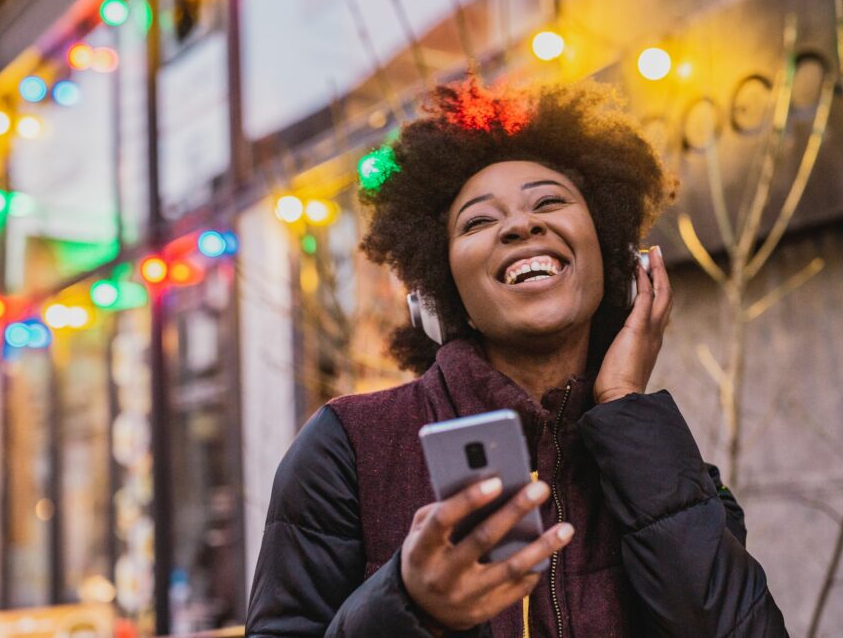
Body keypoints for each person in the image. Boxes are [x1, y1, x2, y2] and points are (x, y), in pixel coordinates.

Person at [246, 78, 789, 637]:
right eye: (479, 221)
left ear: (617, 261)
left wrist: (626, 400)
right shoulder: (349, 447)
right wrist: (408, 606)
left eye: (549, 201)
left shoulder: (661, 462)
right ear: (438, 295)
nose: (521, 225)